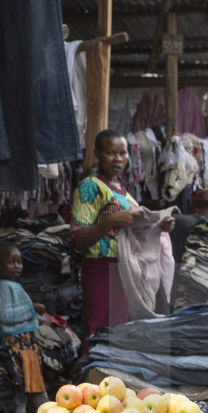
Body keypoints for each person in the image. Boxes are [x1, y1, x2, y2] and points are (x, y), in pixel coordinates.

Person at [70, 129, 173, 341]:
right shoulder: (90, 187)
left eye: (122, 153)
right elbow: (77, 240)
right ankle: (95, 375)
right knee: (101, 332)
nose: (118, 159)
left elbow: (133, 229)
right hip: (102, 268)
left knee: (121, 332)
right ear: (97, 154)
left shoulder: (122, 190)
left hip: (125, 269)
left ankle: (116, 375)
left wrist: (159, 227)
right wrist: (109, 221)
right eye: (110, 153)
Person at [0, 241, 48, 413]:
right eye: (11, 262)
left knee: (29, 384)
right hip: (17, 344)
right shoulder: (3, 287)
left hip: (25, 343)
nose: (17, 266)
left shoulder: (10, 286)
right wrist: (32, 309)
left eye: (19, 262)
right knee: (24, 385)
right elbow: (6, 316)